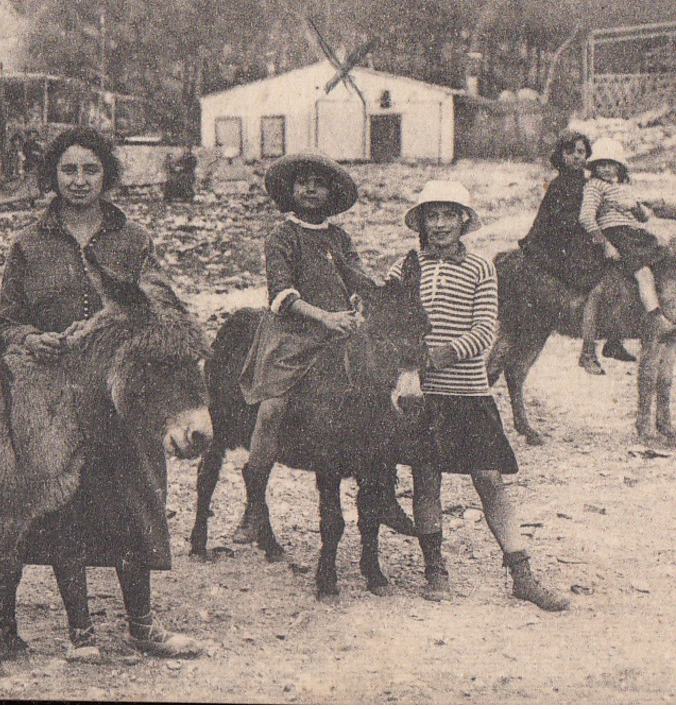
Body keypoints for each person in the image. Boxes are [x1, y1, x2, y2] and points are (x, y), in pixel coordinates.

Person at [0, 126, 202, 656]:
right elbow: (5, 323)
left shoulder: (133, 240)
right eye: (68, 170)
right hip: (59, 396)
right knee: (67, 506)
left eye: (90, 169)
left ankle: (143, 626)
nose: (79, 180)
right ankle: (80, 632)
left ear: (107, 174)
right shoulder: (29, 244)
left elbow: (163, 305)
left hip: (126, 395)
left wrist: (143, 320)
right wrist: (29, 337)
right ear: (52, 176)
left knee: (137, 500)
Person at [388, 180, 569, 611]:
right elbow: (390, 315)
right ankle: (435, 569)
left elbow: (486, 329)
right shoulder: (406, 267)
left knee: (489, 480)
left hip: (467, 392)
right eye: (432, 215)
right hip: (423, 396)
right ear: (422, 221)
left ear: (464, 220)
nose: (441, 223)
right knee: (426, 480)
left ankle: (521, 573)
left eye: (450, 214)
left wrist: (439, 355)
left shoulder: (481, 268)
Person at [237, 152, 381, 541]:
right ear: (291, 190)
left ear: (332, 191)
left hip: (339, 328)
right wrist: (324, 317)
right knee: (272, 408)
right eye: (304, 182)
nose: (312, 189)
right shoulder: (282, 236)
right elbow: (282, 293)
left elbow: (357, 278)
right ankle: (254, 501)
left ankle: (382, 489)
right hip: (293, 333)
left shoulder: (338, 237)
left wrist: (365, 302)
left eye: (320, 182)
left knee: (378, 388)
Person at [519, 131, 623, 371]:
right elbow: (563, 223)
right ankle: (588, 351)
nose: (576, 157)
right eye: (570, 152)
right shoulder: (561, 184)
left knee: (621, 266)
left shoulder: (584, 181)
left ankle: (614, 338)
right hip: (555, 246)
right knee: (597, 279)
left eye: (581, 152)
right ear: (561, 155)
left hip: (574, 239)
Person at [579, 138, 675, 341]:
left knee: (664, 257)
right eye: (601, 164)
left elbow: (644, 217)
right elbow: (586, 217)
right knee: (642, 272)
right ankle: (655, 317)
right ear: (594, 167)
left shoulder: (620, 188)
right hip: (617, 234)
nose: (605, 169)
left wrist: (635, 206)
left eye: (610, 164)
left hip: (633, 232)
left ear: (619, 167)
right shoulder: (594, 186)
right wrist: (605, 243)